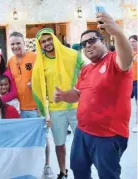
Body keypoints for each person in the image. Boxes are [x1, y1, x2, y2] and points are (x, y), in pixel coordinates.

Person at [54, 12, 133, 179]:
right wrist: (63, 95)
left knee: (108, 175)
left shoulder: (114, 60)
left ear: (102, 41)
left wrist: (117, 32)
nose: (87, 45)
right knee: (78, 169)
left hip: (108, 136)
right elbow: (76, 94)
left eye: (92, 40)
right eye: (84, 43)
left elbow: (127, 59)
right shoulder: (86, 69)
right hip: (82, 132)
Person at [32, 28, 84, 179]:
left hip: (76, 106)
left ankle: (82, 172)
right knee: (59, 144)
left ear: (54, 39)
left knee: (82, 142)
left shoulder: (72, 55)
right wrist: (43, 109)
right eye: (43, 42)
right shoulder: (40, 63)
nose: (47, 43)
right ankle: (63, 171)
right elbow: (38, 86)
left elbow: (85, 71)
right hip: (56, 110)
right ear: (40, 44)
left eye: (49, 39)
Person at [7, 31, 54, 178]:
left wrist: (37, 84)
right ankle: (28, 167)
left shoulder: (35, 57)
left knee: (42, 138)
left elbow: (46, 76)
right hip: (18, 109)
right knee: (22, 140)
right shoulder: (10, 61)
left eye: (18, 43)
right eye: (12, 44)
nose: (15, 46)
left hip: (35, 108)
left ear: (24, 43)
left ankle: (47, 166)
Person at [129, 35, 138, 132]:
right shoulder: (129, 53)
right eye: (130, 41)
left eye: (134, 41)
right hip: (129, 81)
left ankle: (137, 123)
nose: (131, 43)